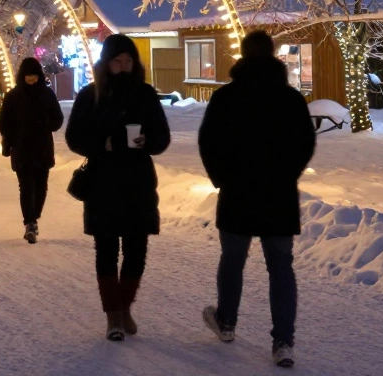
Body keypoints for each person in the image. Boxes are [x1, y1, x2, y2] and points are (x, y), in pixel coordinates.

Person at [199, 30, 315, 369]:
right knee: (280, 267)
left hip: (237, 194)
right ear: (273, 55)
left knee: (233, 260)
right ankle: (283, 341)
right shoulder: (290, 99)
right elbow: (305, 143)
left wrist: (221, 179)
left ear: (243, 56)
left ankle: (227, 321)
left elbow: (209, 142)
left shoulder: (226, 98)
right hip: (278, 195)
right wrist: (287, 174)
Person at [64, 34, 171, 342]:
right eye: (117, 61)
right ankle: (113, 316)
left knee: (137, 250)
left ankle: (125, 307)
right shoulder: (91, 95)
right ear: (106, 63)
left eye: (128, 61)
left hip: (138, 182)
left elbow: (162, 137)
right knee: (107, 250)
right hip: (102, 183)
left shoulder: (146, 95)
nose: (123, 67)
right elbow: (74, 137)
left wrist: (147, 141)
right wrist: (104, 144)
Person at [0, 57, 64, 244]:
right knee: (26, 187)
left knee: (41, 186)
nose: (31, 79)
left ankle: (34, 216)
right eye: (28, 76)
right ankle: (29, 222)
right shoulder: (13, 96)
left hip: (42, 147)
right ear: (22, 76)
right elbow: (4, 122)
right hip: (21, 148)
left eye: (34, 75)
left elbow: (58, 119)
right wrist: (9, 141)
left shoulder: (47, 95)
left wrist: (46, 123)